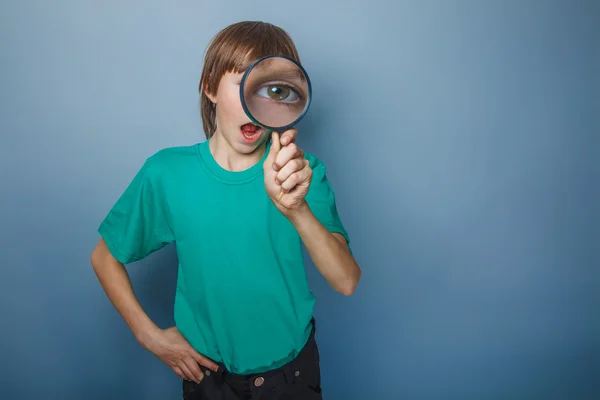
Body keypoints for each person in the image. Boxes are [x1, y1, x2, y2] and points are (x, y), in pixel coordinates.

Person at [90, 20, 361, 400]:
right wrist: (149, 335)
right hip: (209, 383)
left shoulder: (302, 172)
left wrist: (297, 209)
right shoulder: (167, 174)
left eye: (275, 90)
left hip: (292, 377)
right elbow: (104, 257)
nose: (259, 105)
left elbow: (346, 280)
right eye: (245, 85)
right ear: (209, 86)